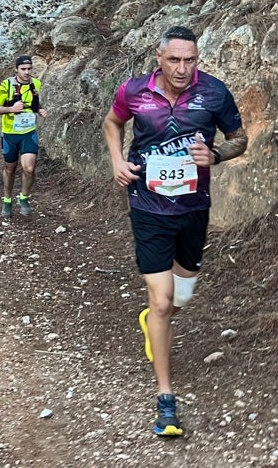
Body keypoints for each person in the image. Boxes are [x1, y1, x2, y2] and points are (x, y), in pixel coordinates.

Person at [102, 25, 248, 438]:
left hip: (193, 208)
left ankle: (154, 321)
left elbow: (240, 139)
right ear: (159, 58)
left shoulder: (215, 93)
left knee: (179, 298)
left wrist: (216, 153)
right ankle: (166, 401)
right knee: (163, 302)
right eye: (175, 60)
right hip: (147, 206)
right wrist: (116, 160)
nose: (183, 68)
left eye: (190, 60)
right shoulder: (133, 91)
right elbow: (112, 124)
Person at [0, 55, 48, 217]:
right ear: (16, 70)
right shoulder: (7, 85)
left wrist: (40, 110)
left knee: (29, 168)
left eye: (29, 69)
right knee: (10, 169)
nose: (27, 72)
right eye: (23, 69)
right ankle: (7, 200)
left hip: (28, 132)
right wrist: (10, 109)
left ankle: (23, 197)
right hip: (10, 134)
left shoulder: (36, 84)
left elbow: (34, 104)